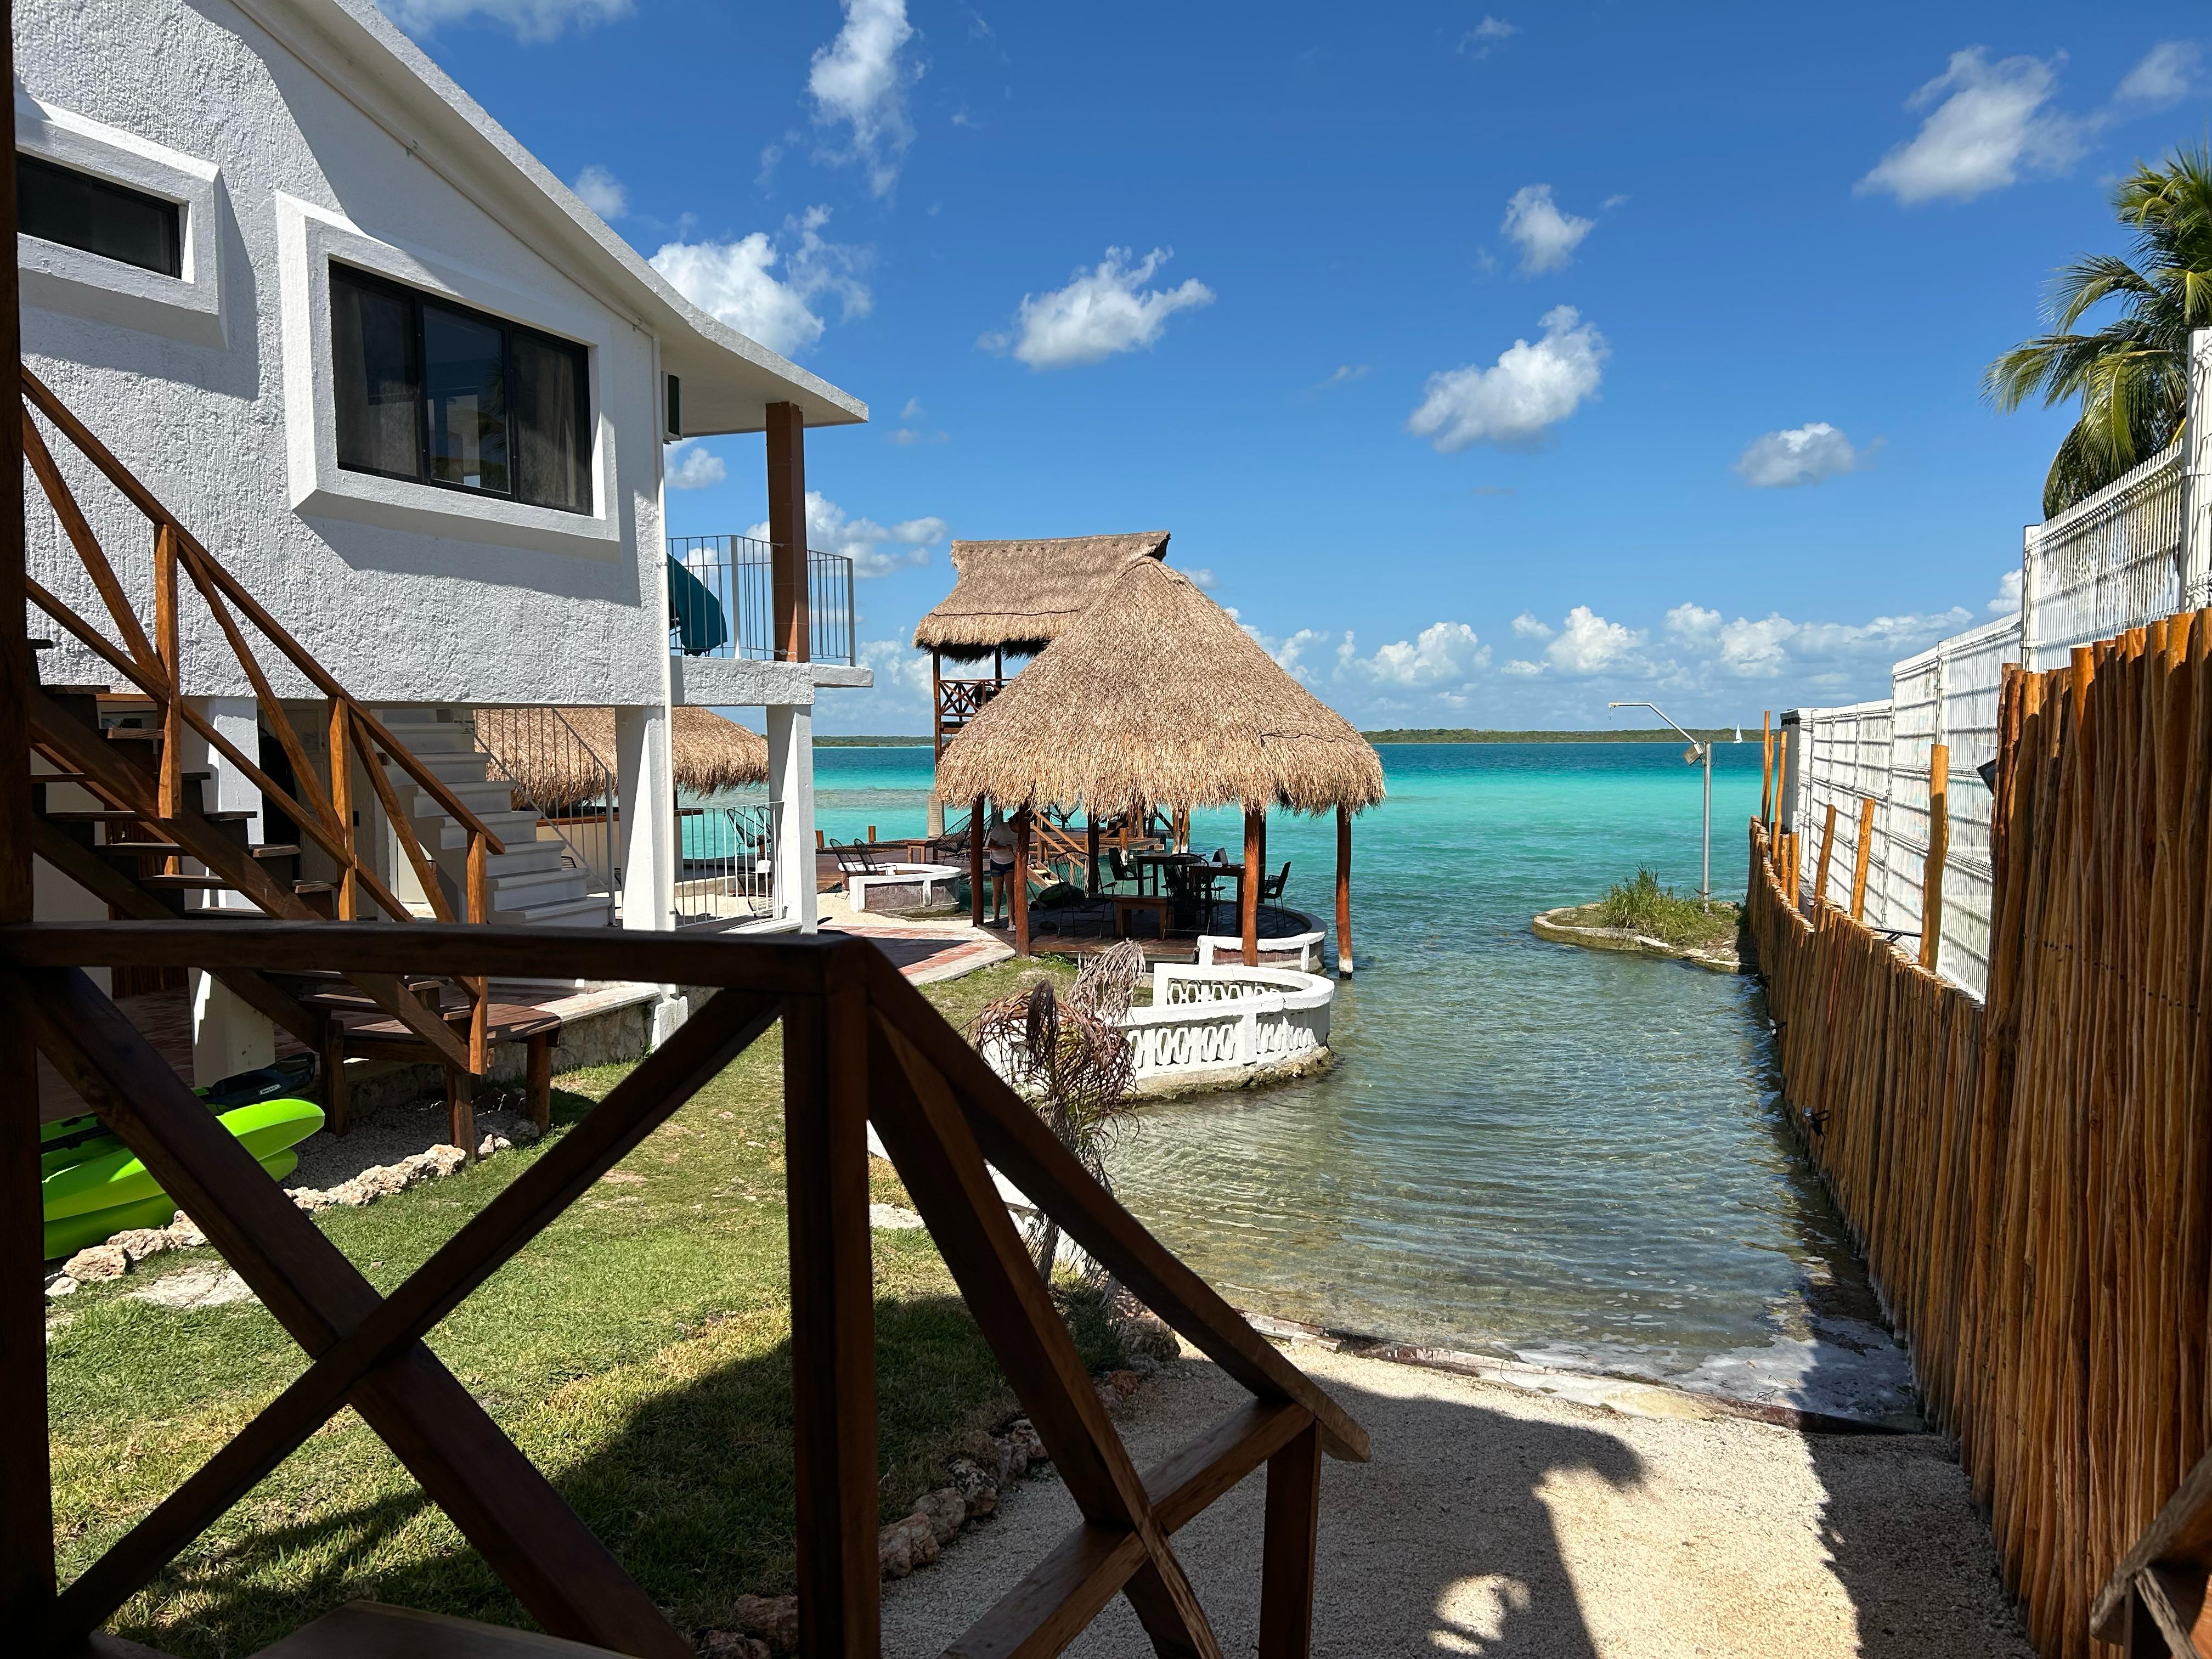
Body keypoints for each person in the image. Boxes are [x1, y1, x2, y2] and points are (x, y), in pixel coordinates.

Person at [985, 812, 1018, 923]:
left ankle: (1011, 920)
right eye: (1020, 825)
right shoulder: (1001, 828)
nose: (1021, 828)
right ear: (1014, 822)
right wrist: (1005, 848)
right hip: (996, 862)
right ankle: (996, 918)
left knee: (1010, 892)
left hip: (1010, 863)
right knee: (997, 891)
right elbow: (990, 845)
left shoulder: (1022, 832)